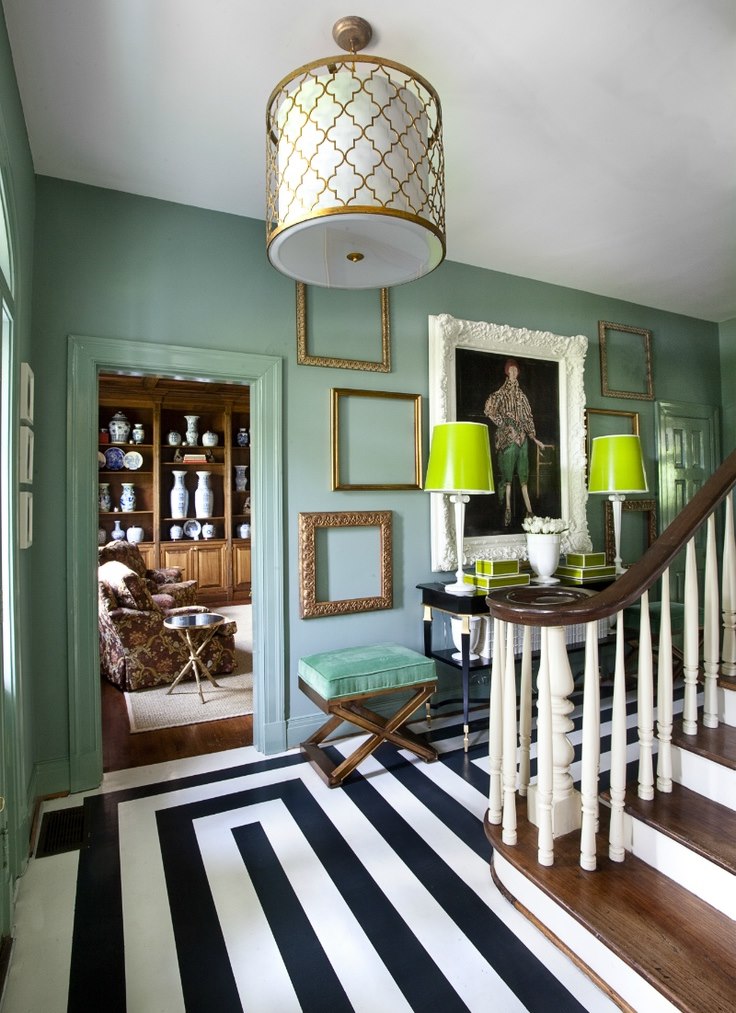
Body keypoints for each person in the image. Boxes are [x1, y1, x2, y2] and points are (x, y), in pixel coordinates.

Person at [483, 358, 548, 527]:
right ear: (507, 372)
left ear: (517, 372)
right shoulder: (501, 393)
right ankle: (507, 509)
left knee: (524, 475)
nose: (513, 373)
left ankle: (530, 511)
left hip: (522, 439)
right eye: (510, 370)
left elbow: (528, 418)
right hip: (507, 438)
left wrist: (534, 438)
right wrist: (504, 424)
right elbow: (489, 409)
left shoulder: (522, 396)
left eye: (515, 370)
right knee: (508, 477)